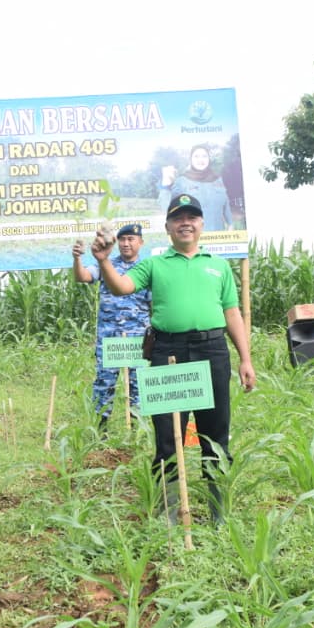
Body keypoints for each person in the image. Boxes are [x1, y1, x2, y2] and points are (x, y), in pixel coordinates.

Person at [91, 192, 256, 524]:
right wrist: (104, 261)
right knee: (168, 436)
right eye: (179, 218)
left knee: (215, 436)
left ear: (201, 224)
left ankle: (217, 513)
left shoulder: (218, 265)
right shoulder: (153, 264)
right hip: (168, 353)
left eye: (192, 217)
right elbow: (121, 287)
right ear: (167, 227)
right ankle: (168, 513)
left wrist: (245, 359)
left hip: (213, 351)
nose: (186, 222)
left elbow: (232, 312)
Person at [71, 223, 151, 430]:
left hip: (138, 339)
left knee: (138, 385)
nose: (126, 244)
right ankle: (100, 431)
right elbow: (83, 276)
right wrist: (77, 258)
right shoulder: (106, 265)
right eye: (122, 240)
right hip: (109, 338)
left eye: (131, 240)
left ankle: (137, 430)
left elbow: (155, 305)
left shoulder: (147, 269)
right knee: (104, 383)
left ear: (140, 243)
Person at [158, 144, 233, 231]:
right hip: (193, 238)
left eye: (204, 156)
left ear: (209, 159)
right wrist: (165, 186)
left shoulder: (218, 180)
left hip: (218, 237)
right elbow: (167, 208)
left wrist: (230, 224)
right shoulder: (181, 181)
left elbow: (225, 203)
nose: (201, 160)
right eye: (196, 156)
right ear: (191, 160)